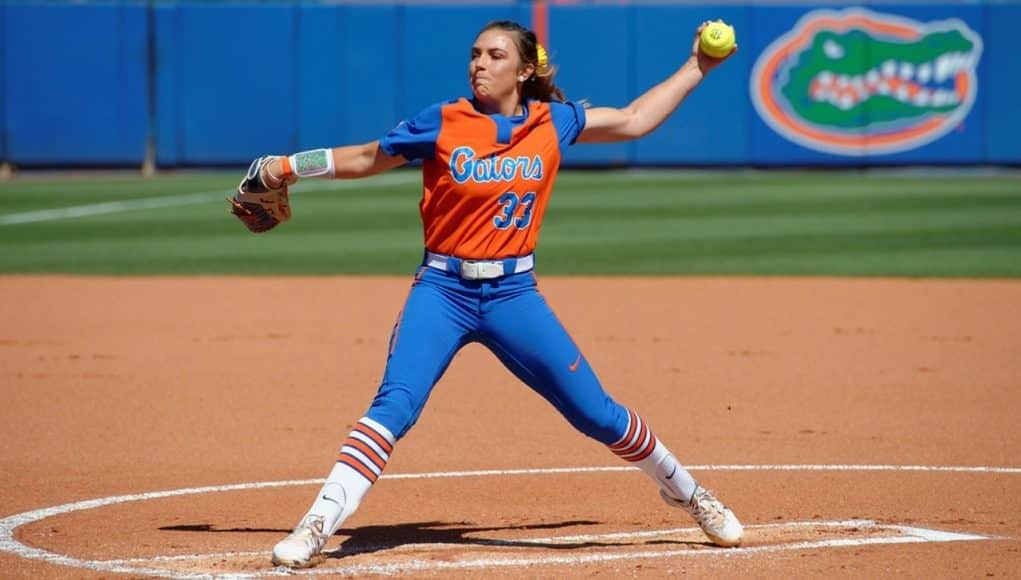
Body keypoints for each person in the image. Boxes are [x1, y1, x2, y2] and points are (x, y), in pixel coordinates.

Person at [256, 20, 741, 568]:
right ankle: (317, 524)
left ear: (525, 70)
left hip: (514, 294)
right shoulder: (443, 121)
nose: (479, 64)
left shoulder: (552, 122)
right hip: (442, 290)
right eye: (474, 54)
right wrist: (288, 167)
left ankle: (689, 492)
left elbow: (633, 120)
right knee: (395, 403)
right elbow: (369, 157)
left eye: (494, 55)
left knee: (596, 414)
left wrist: (698, 65)